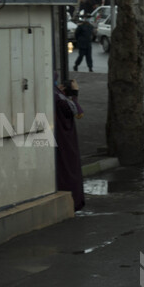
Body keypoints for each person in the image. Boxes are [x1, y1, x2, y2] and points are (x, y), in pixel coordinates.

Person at [54, 79, 85, 211]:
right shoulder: (58, 97)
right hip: (63, 141)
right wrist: (74, 95)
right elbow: (77, 112)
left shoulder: (54, 94)